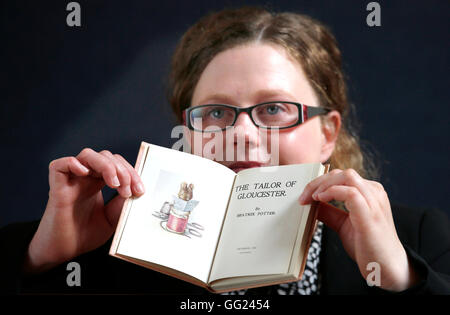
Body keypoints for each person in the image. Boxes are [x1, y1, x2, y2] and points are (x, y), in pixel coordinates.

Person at [2, 6, 449, 295]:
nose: (241, 135)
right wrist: (42, 259)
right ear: (187, 132)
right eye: (215, 113)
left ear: (328, 132)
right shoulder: (107, 251)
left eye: (274, 108)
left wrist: (400, 282)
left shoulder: (421, 242)